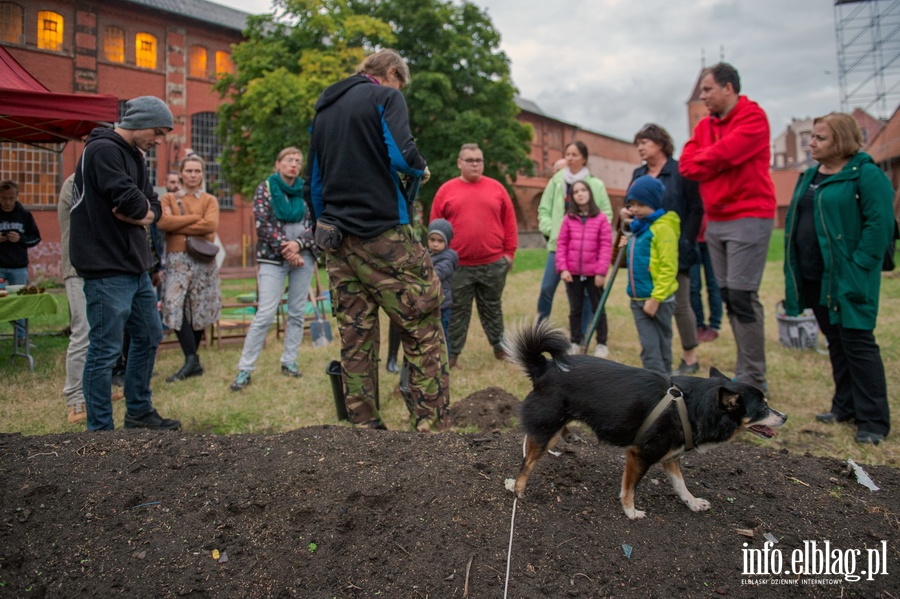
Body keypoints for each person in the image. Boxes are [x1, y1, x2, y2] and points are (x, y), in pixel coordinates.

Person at [306, 49, 449, 432]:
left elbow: (314, 185)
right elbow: (404, 157)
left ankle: (365, 430)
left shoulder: (323, 112)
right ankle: (430, 428)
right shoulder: (386, 96)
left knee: (356, 338)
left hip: (337, 241)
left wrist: (326, 228)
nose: (399, 89)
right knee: (423, 326)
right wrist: (422, 165)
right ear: (390, 73)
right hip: (386, 234)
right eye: (399, 82)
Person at [70, 95, 180, 431]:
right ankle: (100, 429)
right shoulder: (103, 150)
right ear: (141, 121)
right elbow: (133, 203)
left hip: (135, 266)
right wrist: (142, 213)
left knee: (149, 335)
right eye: (158, 132)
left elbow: (153, 207)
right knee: (105, 350)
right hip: (105, 266)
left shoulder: (135, 156)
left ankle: (139, 412)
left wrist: (144, 214)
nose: (158, 140)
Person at [784, 112, 894, 445]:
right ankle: (844, 406)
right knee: (836, 343)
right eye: (812, 137)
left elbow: (880, 226)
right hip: (816, 277)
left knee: (859, 344)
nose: (812, 143)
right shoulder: (810, 176)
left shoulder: (866, 175)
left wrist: (859, 265)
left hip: (849, 277)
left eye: (820, 138)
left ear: (842, 141)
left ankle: (873, 420)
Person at [679, 62, 776, 390]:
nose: (702, 96)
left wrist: (713, 159)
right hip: (717, 220)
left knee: (742, 295)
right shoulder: (704, 127)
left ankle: (753, 379)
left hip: (749, 216)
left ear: (728, 88)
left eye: (707, 89)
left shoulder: (753, 117)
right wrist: (716, 159)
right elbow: (689, 165)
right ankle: (745, 371)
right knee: (729, 295)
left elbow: (729, 153)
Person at [230, 147, 317, 391]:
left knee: (297, 312)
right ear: (277, 164)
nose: (294, 164)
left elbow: (315, 223)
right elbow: (263, 224)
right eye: (289, 160)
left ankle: (289, 361)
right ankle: (245, 369)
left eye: (298, 161)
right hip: (273, 259)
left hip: (304, 257)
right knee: (265, 313)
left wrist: (299, 245)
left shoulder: (306, 191)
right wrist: (287, 250)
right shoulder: (266, 188)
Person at [430, 143, 517, 367]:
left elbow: (509, 222)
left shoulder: (497, 188)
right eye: (470, 160)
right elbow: (435, 226)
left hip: (492, 262)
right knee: (456, 311)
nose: (475, 164)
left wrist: (509, 254)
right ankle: (451, 354)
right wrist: (437, 257)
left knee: (492, 308)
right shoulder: (446, 191)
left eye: (479, 160)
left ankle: (501, 348)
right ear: (460, 163)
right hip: (457, 266)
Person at [627, 124, 704, 374]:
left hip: (674, 245)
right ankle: (659, 361)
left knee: (679, 303)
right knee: (655, 305)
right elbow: (632, 206)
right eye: (638, 143)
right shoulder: (639, 173)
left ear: (660, 143)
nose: (640, 147)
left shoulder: (680, 170)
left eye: (644, 142)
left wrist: (685, 240)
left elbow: (695, 208)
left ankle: (690, 356)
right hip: (647, 248)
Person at [537, 141, 613, 356]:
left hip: (589, 248)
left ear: (584, 158)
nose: (569, 158)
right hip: (560, 245)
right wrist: (552, 230)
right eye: (567, 154)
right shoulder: (556, 181)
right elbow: (543, 208)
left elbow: (606, 212)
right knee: (547, 288)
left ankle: (585, 335)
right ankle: (541, 328)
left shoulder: (595, 184)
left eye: (574, 154)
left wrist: (595, 230)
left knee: (588, 297)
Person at [157, 154, 222, 382]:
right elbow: (163, 223)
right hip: (177, 259)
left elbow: (211, 227)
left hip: (203, 259)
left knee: (199, 306)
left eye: (197, 171)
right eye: (189, 171)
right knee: (174, 305)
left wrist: (180, 225)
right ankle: (192, 359)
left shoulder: (210, 200)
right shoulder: (168, 199)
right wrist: (196, 219)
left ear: (202, 174)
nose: (193, 175)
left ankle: (191, 361)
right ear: (181, 173)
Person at [622, 176, 680, 375]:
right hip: (638, 298)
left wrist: (656, 298)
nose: (635, 209)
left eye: (641, 204)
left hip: (657, 300)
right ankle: (660, 385)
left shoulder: (662, 229)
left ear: (654, 203)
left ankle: (664, 387)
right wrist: (626, 246)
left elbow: (668, 268)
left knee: (661, 347)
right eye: (632, 204)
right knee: (650, 348)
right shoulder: (638, 228)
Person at [555, 180, 613, 352]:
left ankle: (601, 343)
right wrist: (563, 268)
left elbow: (605, 246)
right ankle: (574, 340)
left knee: (598, 308)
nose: (580, 194)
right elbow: (562, 245)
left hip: (594, 273)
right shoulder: (568, 219)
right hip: (572, 272)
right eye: (576, 192)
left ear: (589, 193)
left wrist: (601, 272)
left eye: (583, 190)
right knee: (575, 308)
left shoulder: (601, 218)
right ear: (572, 197)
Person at [0, 180, 41, 347]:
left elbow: (36, 238)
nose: (7, 202)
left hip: (18, 267)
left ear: (17, 196)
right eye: (3, 198)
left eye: (11, 198)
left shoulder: (24, 215)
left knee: (21, 304)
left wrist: (21, 239)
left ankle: (22, 338)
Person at [426, 218, 459, 354]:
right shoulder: (426, 254)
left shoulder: (448, 258)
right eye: (432, 239)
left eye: (440, 241)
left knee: (442, 333)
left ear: (447, 242)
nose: (435, 244)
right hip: (429, 303)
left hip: (442, 304)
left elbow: (437, 274)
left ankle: (446, 357)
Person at [690, 216, 722, 342]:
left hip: (712, 239)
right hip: (691, 239)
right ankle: (698, 325)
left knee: (714, 283)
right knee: (693, 285)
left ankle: (714, 325)